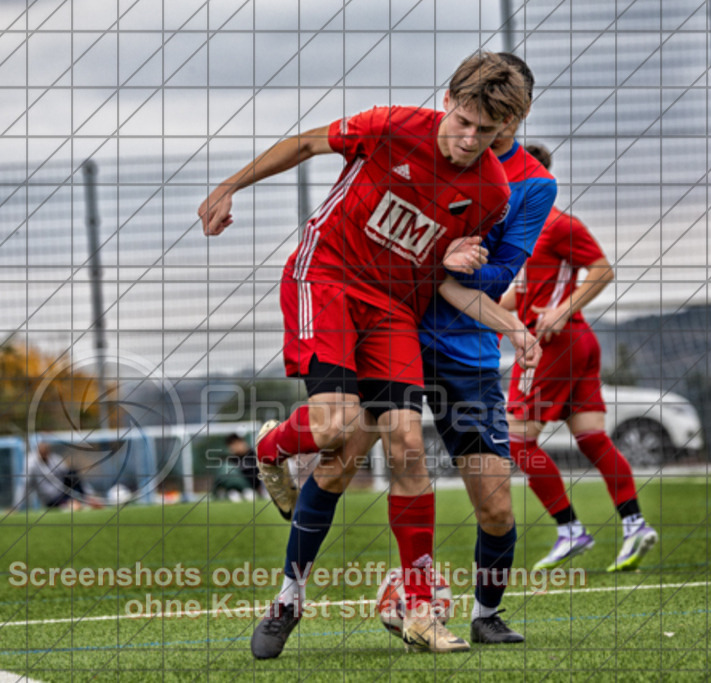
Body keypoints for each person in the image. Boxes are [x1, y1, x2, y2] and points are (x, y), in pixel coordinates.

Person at [199, 52, 530, 657]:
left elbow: (442, 275)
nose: (469, 139)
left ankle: (422, 609)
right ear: (450, 99)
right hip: (323, 280)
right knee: (336, 432)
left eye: (487, 133)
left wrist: (472, 284)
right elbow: (303, 145)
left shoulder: (491, 191)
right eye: (465, 122)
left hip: (391, 313)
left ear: (504, 132)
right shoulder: (389, 126)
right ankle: (272, 452)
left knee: (407, 444)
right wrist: (228, 187)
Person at [417, 52, 557, 645]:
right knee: (342, 455)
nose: (480, 131)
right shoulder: (424, 142)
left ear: (517, 116)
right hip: (392, 329)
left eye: (499, 118)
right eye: (472, 114)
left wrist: (452, 271)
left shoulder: (533, 183)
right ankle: (289, 600)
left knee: (496, 505)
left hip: (465, 350)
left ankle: (485, 614)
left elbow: (500, 274)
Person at [502, 144, 658, 573]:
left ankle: (570, 529)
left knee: (517, 440)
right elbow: (523, 293)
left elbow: (602, 270)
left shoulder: (557, 225)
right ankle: (634, 524)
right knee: (591, 438)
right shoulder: (523, 230)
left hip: (553, 343)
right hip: (574, 344)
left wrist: (561, 310)